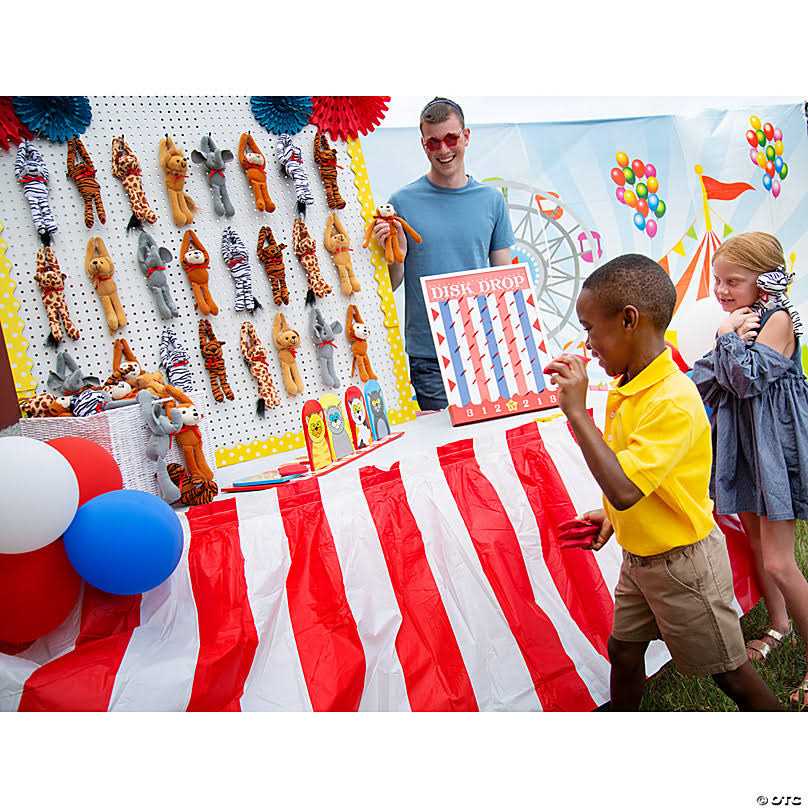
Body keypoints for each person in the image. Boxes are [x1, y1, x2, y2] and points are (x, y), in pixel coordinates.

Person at [546, 254, 780, 711]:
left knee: (729, 672)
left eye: (591, 328)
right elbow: (637, 474)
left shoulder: (672, 399)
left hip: (684, 566)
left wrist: (577, 412)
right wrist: (612, 518)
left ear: (629, 320)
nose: (587, 342)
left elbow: (627, 488)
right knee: (623, 650)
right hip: (641, 559)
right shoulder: (628, 385)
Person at [691, 232, 808, 708]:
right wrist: (725, 345)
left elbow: (741, 378)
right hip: (747, 444)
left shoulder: (778, 320)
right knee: (756, 541)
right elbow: (705, 378)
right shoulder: (743, 320)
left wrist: (724, 340)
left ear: (763, 281)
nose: (720, 290)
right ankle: (780, 626)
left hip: (775, 447)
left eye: (731, 281)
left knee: (781, 560)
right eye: (717, 279)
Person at [372, 97, 515, 411]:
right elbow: (392, 283)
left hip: (484, 350)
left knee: (492, 447)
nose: (444, 149)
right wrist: (396, 257)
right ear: (424, 145)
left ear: (466, 136)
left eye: (451, 139)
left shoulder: (491, 200)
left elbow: (503, 280)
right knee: (447, 452)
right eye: (433, 142)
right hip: (429, 357)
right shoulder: (402, 202)